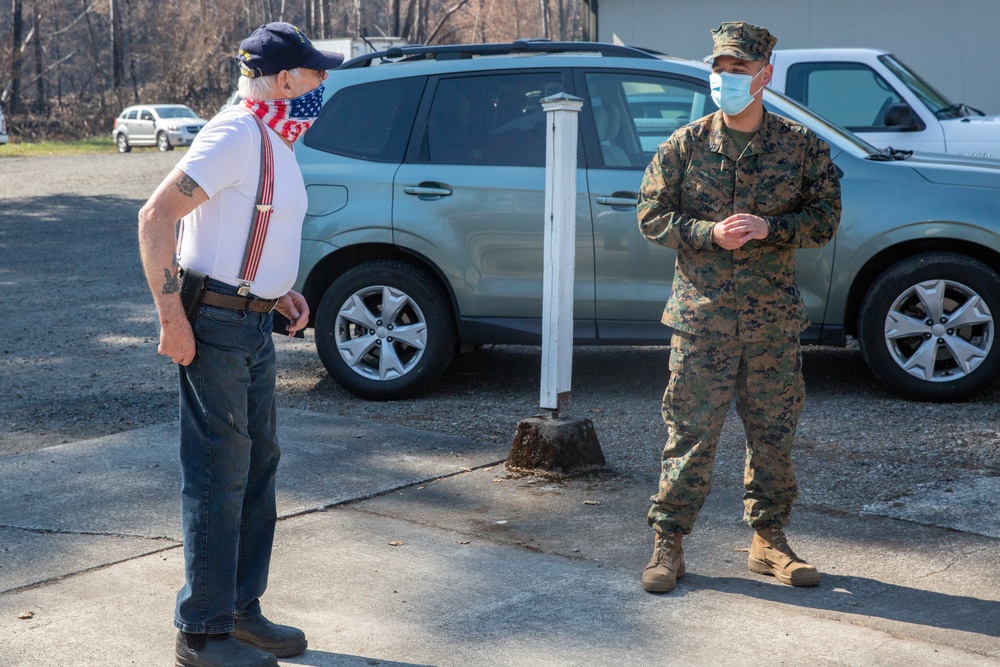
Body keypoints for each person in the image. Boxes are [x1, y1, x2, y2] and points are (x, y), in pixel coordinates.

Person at [137, 23, 343, 667]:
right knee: (218, 473)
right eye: (314, 72)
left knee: (256, 468)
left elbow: (234, 230)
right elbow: (155, 217)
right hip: (216, 328)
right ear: (284, 81)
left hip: (251, 324)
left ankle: (239, 612)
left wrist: (276, 292)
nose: (323, 81)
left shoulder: (270, 137)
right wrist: (172, 318)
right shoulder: (234, 133)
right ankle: (202, 633)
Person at [637, 21, 841, 594]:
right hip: (702, 321)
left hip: (771, 321)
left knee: (773, 435)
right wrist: (708, 233)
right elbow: (650, 215)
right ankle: (668, 543)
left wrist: (771, 227)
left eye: (738, 69)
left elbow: (825, 218)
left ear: (764, 74)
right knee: (689, 434)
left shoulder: (800, 146)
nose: (725, 78)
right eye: (719, 69)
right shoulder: (685, 145)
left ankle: (769, 540)